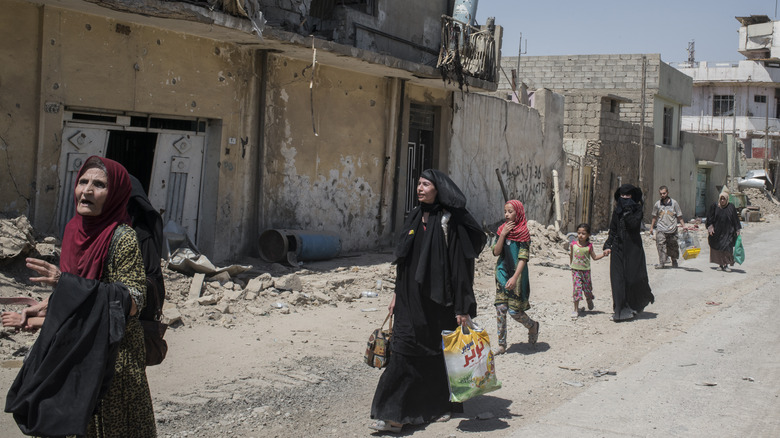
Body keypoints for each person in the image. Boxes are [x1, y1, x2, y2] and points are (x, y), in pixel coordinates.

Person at [5, 156, 156, 437]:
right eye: (83, 181)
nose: (86, 190)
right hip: (74, 347)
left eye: (99, 185)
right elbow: (75, 292)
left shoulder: (122, 237)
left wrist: (64, 282)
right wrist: (38, 310)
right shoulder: (74, 230)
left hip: (113, 356)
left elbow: (134, 302)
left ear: (115, 195)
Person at [369, 169, 486, 433]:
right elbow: (405, 261)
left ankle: (438, 406)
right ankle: (393, 413)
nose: (420, 188)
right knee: (403, 349)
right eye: (418, 184)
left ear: (439, 189)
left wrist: (462, 307)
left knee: (436, 356)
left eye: (426, 184)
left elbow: (460, 267)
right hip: (410, 300)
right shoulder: (413, 215)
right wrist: (396, 294)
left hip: (439, 302)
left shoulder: (448, 221)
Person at [491, 199, 540, 355]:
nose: (506, 214)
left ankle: (532, 326)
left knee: (514, 312)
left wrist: (515, 277)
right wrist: (503, 234)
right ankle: (502, 344)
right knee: (500, 308)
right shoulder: (501, 230)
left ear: (518, 213)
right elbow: (496, 252)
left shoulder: (523, 232)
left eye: (510, 212)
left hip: (517, 276)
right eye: (505, 211)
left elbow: (523, 258)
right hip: (502, 272)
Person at [603, 184, 654, 321]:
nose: (624, 198)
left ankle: (634, 305)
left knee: (632, 278)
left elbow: (633, 225)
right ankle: (620, 310)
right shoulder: (616, 211)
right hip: (618, 248)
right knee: (617, 279)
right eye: (622, 196)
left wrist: (627, 212)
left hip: (633, 249)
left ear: (632, 197)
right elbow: (613, 229)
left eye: (627, 196)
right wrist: (608, 244)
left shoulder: (637, 210)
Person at [569, 223, 608, 319]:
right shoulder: (573, 245)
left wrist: (603, 254)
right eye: (579, 233)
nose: (580, 235)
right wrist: (572, 266)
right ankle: (575, 309)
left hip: (586, 271)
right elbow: (571, 256)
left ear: (588, 235)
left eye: (583, 233)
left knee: (587, 289)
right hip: (576, 271)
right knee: (577, 290)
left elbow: (594, 257)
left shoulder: (589, 246)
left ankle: (589, 299)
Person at [706, 187, 741, 272]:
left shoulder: (731, 207)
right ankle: (720, 264)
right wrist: (710, 227)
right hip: (717, 232)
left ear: (727, 199)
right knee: (719, 248)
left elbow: (735, 219)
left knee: (727, 248)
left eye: (724, 199)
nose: (722, 201)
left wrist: (737, 229)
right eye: (721, 199)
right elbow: (709, 218)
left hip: (728, 231)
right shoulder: (715, 206)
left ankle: (726, 265)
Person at [650, 185, 686, 269]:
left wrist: (684, 226)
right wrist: (651, 227)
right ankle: (662, 263)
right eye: (661, 194)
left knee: (673, 246)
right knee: (660, 245)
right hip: (661, 229)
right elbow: (654, 217)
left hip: (672, 229)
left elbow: (679, 216)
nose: (662, 195)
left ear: (667, 193)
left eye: (664, 193)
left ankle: (674, 260)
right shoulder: (657, 204)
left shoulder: (674, 203)